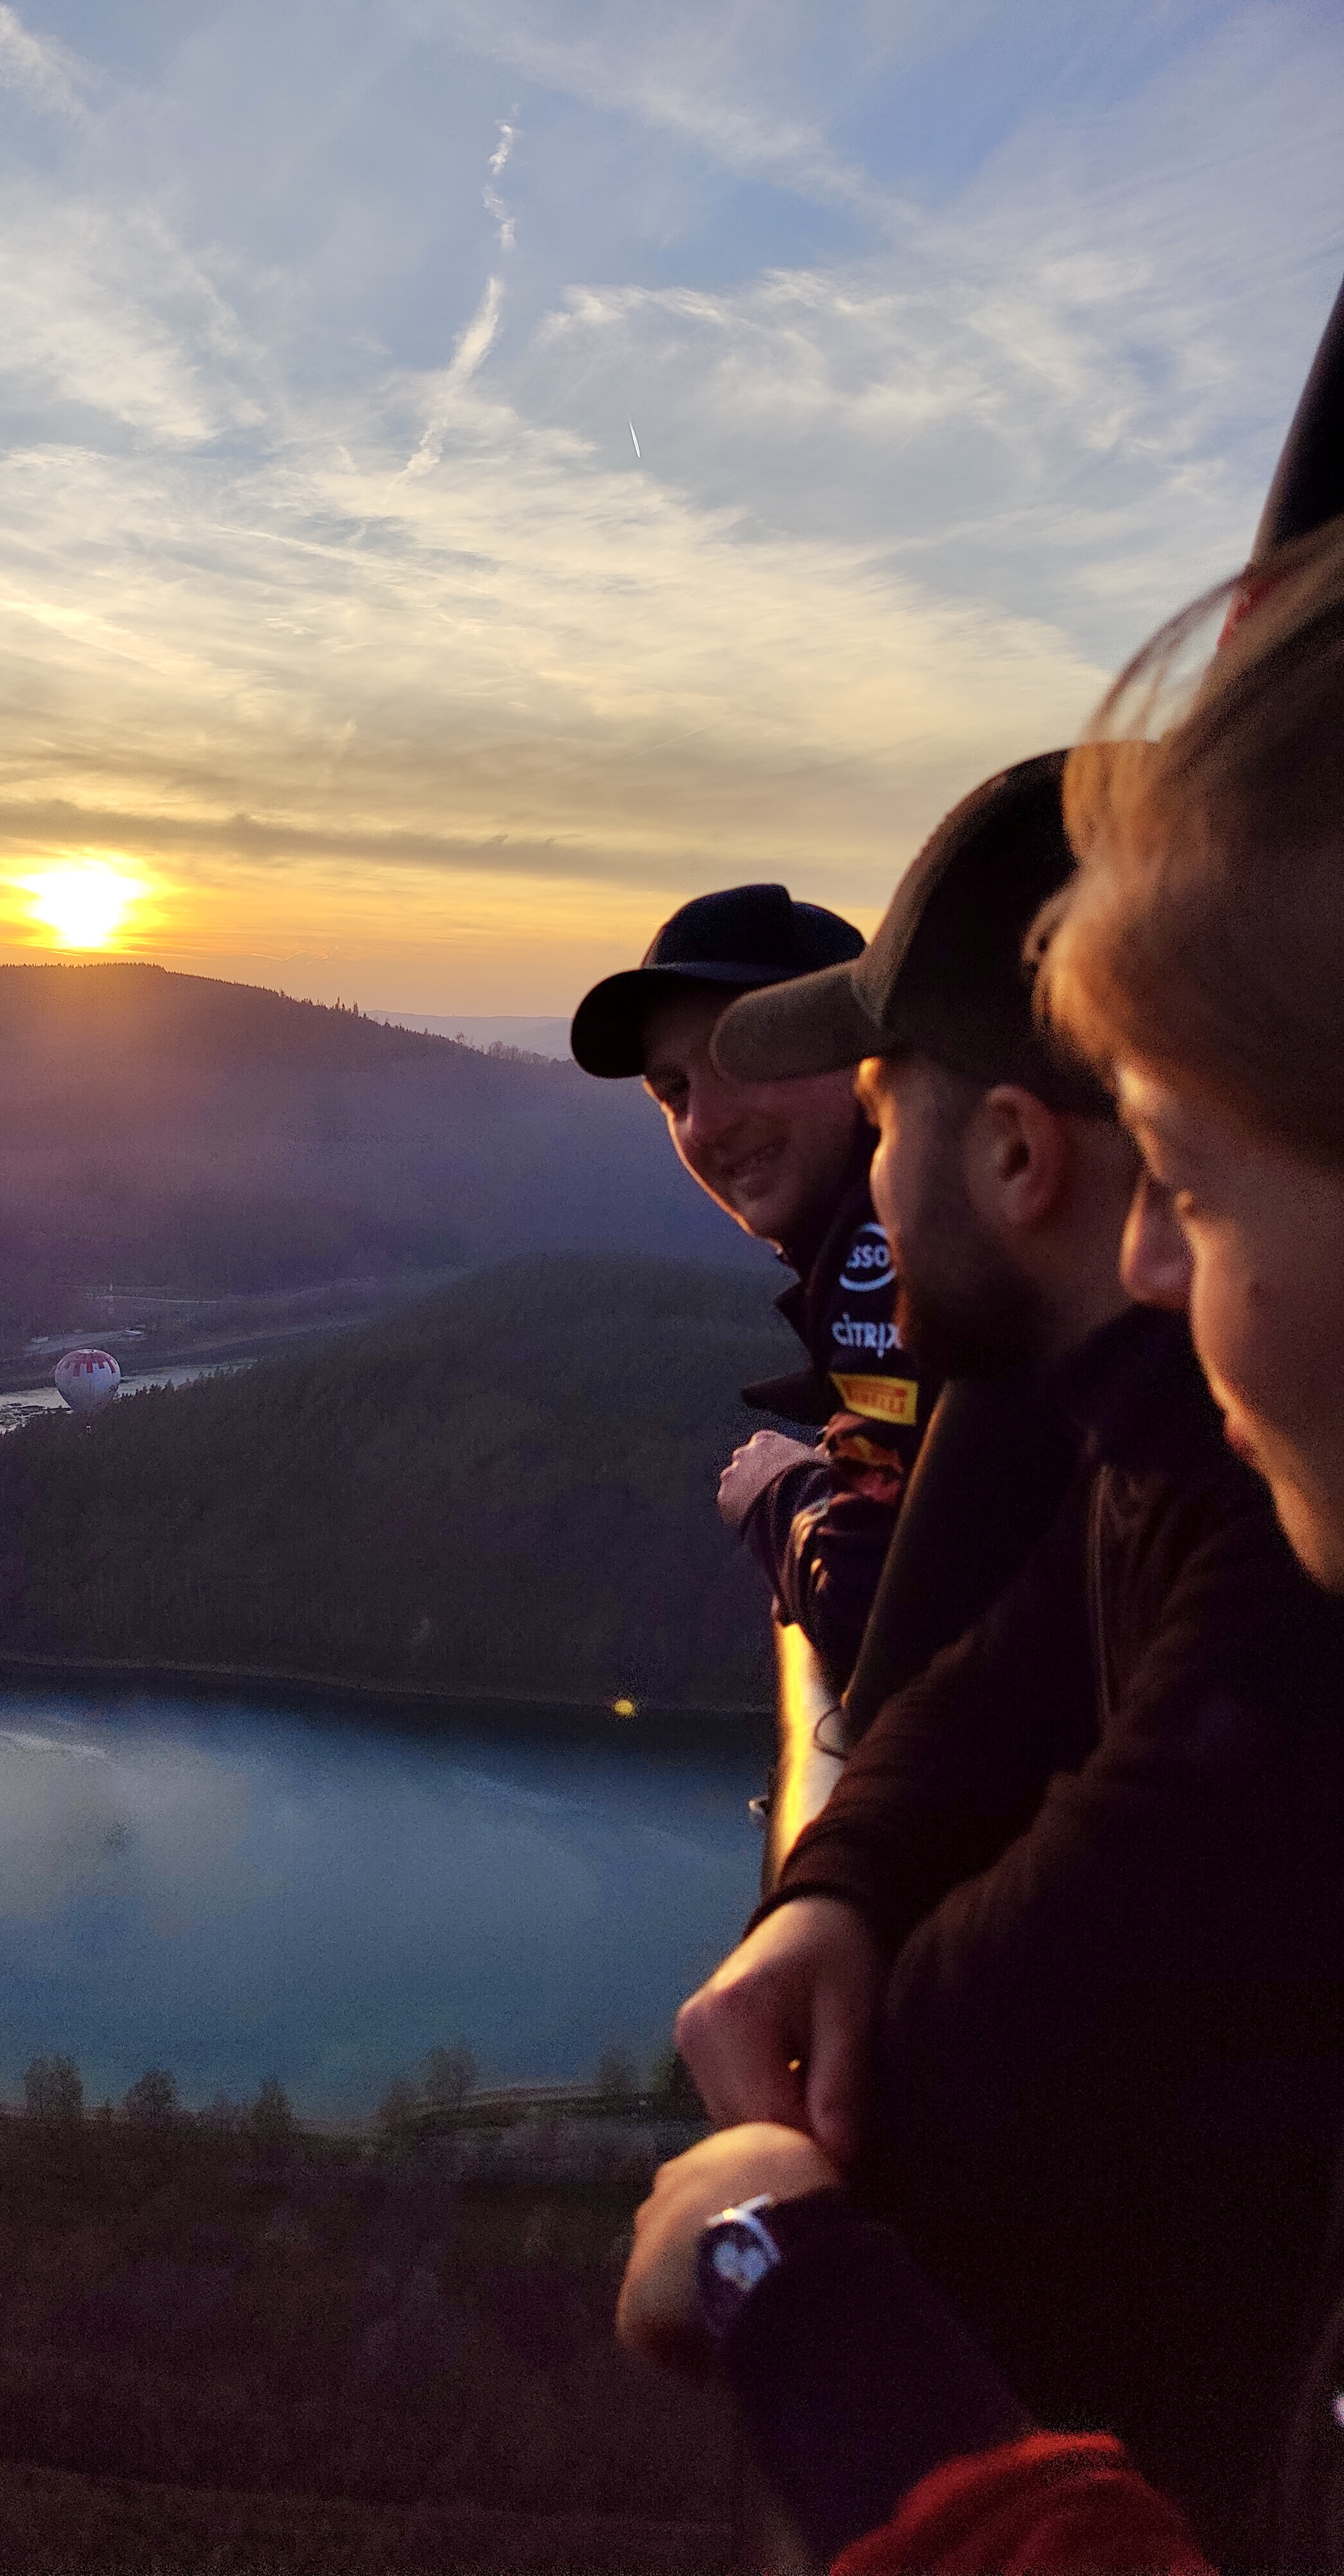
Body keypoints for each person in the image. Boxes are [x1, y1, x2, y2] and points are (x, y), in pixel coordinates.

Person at [615, 524, 1344, 2575]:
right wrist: (837, 1881)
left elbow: (975, 2062)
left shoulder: (1271, 1583)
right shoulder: (1152, 1468)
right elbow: (1010, 1662)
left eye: (1187, 1175)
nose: (1143, 1267)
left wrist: (781, 2267)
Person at [571, 885, 934, 1687]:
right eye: (675, 1093)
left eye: (743, 1057)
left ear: (868, 1058)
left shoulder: (887, 1251)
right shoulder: (908, 1229)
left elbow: (864, 1605)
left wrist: (779, 1490)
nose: (703, 1123)